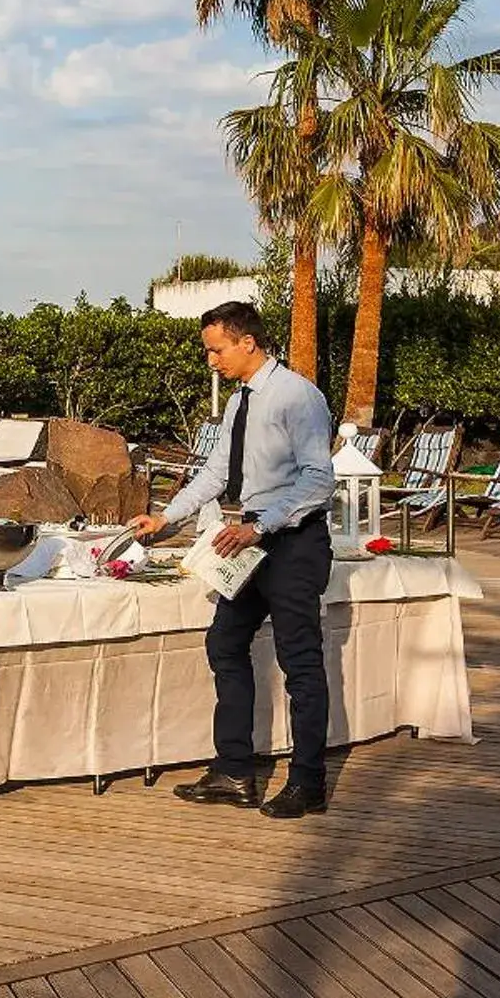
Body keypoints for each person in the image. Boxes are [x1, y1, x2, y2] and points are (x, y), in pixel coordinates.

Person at [126, 301, 338, 819]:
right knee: (224, 643)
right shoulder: (239, 403)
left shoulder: (297, 397)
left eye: (216, 350)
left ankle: (308, 782)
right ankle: (235, 771)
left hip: (290, 543)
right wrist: (167, 518)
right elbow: (216, 473)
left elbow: (318, 479)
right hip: (247, 544)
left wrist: (258, 527)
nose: (211, 360)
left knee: (300, 662)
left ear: (247, 342)